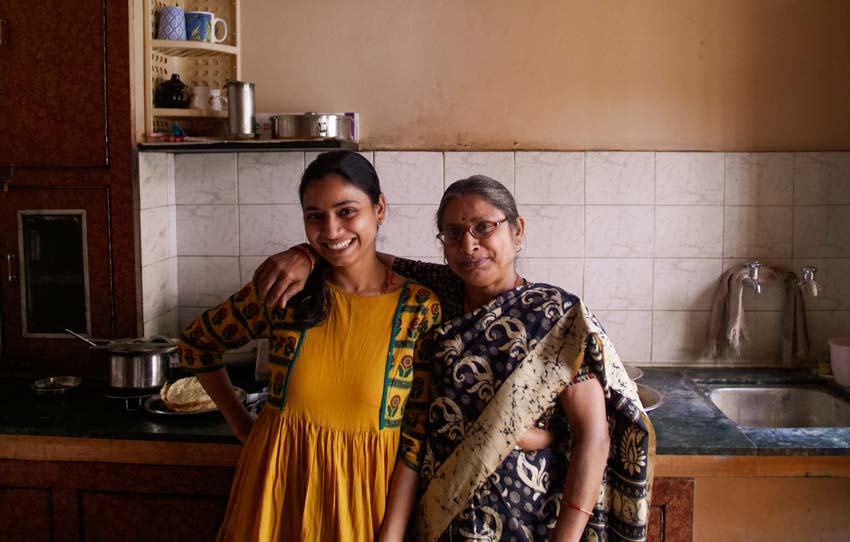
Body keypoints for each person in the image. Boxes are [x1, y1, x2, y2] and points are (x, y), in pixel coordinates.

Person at [254, 175, 655, 542]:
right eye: (453, 233)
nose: (469, 244)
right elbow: (362, 256)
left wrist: (566, 537)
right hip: (440, 516)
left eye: (484, 227)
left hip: (528, 518)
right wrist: (305, 254)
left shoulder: (553, 316)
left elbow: (592, 434)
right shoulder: (434, 296)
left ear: (517, 231)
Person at [178, 150, 442, 541]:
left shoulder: (419, 308)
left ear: (379, 208)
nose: (332, 231)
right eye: (315, 216)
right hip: (276, 494)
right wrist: (244, 429)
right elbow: (197, 344)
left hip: (365, 504)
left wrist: (393, 533)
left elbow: (416, 436)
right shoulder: (286, 291)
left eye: (347, 211)